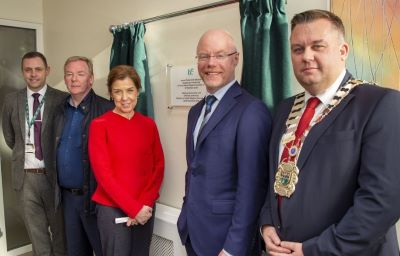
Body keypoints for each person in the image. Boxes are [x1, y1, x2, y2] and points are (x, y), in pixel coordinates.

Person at [260, 9, 400, 256]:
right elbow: (275, 176)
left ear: (342, 51)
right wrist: (267, 221)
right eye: (298, 49)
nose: (307, 56)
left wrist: (315, 250)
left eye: (318, 46)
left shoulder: (380, 104)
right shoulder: (285, 109)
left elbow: (381, 202)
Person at [177, 29, 272, 256]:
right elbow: (195, 170)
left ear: (235, 59)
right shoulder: (195, 111)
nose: (211, 63)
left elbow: (252, 187)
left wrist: (233, 247)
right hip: (194, 232)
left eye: (220, 55)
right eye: (203, 56)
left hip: (226, 241)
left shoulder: (251, 110)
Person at [88, 65, 164, 256]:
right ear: (111, 94)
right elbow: (103, 175)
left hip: (145, 208)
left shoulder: (148, 125)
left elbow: (158, 167)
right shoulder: (99, 126)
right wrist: (133, 208)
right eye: (118, 92)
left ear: (138, 91)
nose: (124, 97)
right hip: (112, 209)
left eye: (130, 90)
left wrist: (144, 206)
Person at [2, 51, 67, 255]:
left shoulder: (62, 100)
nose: (33, 74)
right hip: (26, 178)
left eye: (38, 69)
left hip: (54, 178)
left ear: (47, 71)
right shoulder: (12, 101)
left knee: (60, 234)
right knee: (37, 236)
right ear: (23, 72)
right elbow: (10, 137)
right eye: (28, 70)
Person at [55, 56, 113, 256]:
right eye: (69, 74)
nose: (74, 79)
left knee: (102, 250)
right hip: (68, 198)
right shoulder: (60, 109)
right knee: (75, 252)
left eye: (80, 74)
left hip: (95, 198)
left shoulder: (106, 109)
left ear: (91, 78)